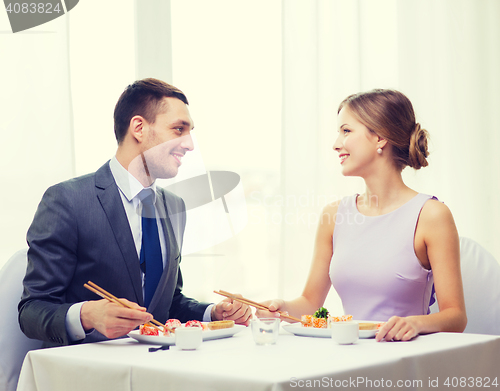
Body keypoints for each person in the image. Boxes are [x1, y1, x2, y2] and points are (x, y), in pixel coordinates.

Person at [19, 78, 251, 347]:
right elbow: (31, 311)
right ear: (139, 128)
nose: (189, 145)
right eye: (178, 130)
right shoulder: (67, 201)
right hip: (86, 372)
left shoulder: (174, 207)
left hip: (157, 371)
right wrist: (87, 315)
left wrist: (212, 313)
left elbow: (167, 304)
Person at [257, 89, 467, 342]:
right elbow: (311, 303)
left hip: (404, 360)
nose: (336, 144)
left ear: (379, 137)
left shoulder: (431, 215)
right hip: (348, 354)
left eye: (346, 131)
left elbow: (455, 317)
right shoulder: (333, 215)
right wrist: (283, 308)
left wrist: (415, 323)